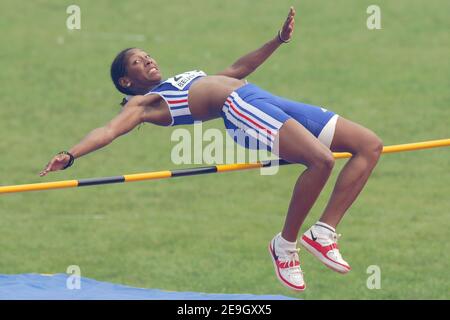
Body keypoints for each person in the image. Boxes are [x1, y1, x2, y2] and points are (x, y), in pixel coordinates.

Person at [40, 7, 383, 291]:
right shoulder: (143, 103)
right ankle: (286, 245)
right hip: (239, 109)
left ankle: (323, 231)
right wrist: (71, 154)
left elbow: (236, 70)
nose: (147, 60)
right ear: (126, 81)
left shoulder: (178, 82)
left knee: (368, 145)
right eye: (137, 62)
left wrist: (277, 41)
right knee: (320, 161)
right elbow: (108, 130)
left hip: (258, 97)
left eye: (147, 55)